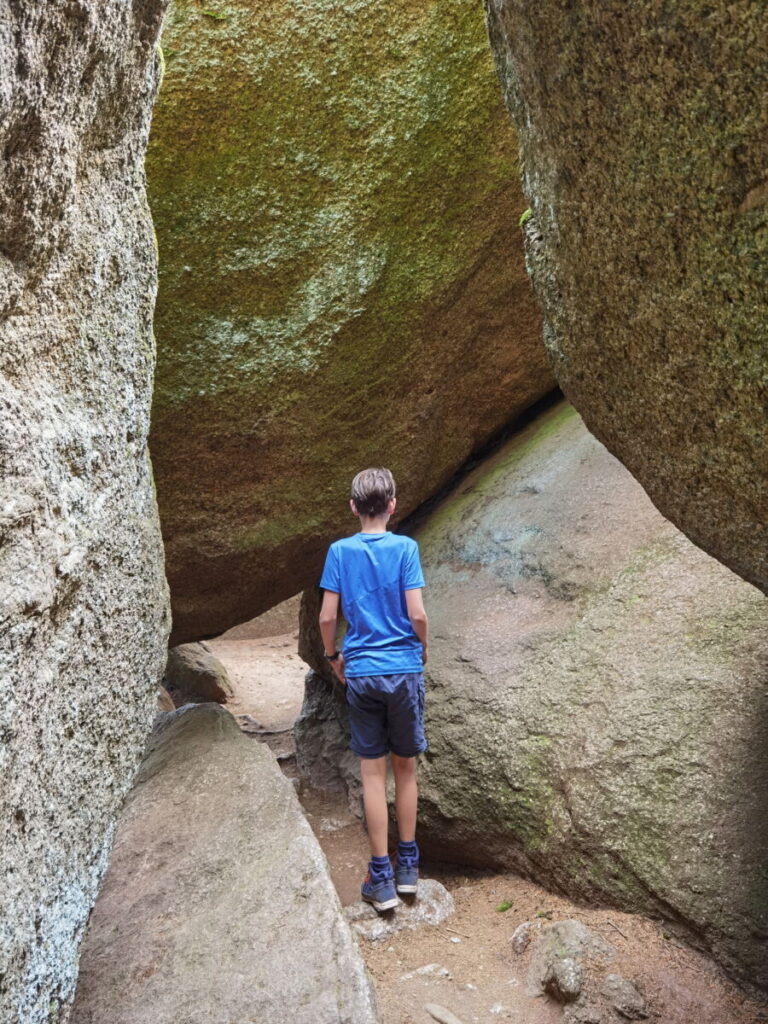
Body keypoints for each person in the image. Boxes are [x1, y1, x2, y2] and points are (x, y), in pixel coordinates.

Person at [318, 466, 428, 912]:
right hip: (403, 670)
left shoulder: (339, 552)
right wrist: (422, 647)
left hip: (361, 671)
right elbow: (417, 613)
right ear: (392, 505)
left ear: (353, 507)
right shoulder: (406, 548)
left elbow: (328, 618)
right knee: (406, 770)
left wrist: (332, 657)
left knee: (371, 773)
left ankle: (379, 878)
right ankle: (408, 870)